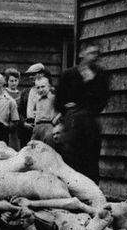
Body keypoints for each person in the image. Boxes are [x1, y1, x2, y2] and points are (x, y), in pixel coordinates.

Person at [46, 45, 111, 182]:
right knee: (71, 156)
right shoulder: (70, 74)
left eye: (96, 54)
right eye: (91, 52)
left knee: (91, 158)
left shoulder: (100, 76)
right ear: (82, 54)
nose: (94, 56)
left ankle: (92, 191)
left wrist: (91, 85)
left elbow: (103, 99)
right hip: (72, 121)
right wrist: (67, 108)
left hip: (90, 121)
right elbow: (58, 100)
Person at [24, 62, 54, 142]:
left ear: (41, 74)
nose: (30, 77)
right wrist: (24, 123)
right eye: (29, 75)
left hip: (47, 127)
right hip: (30, 128)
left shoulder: (52, 93)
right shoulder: (26, 92)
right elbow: (20, 110)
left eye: (33, 74)